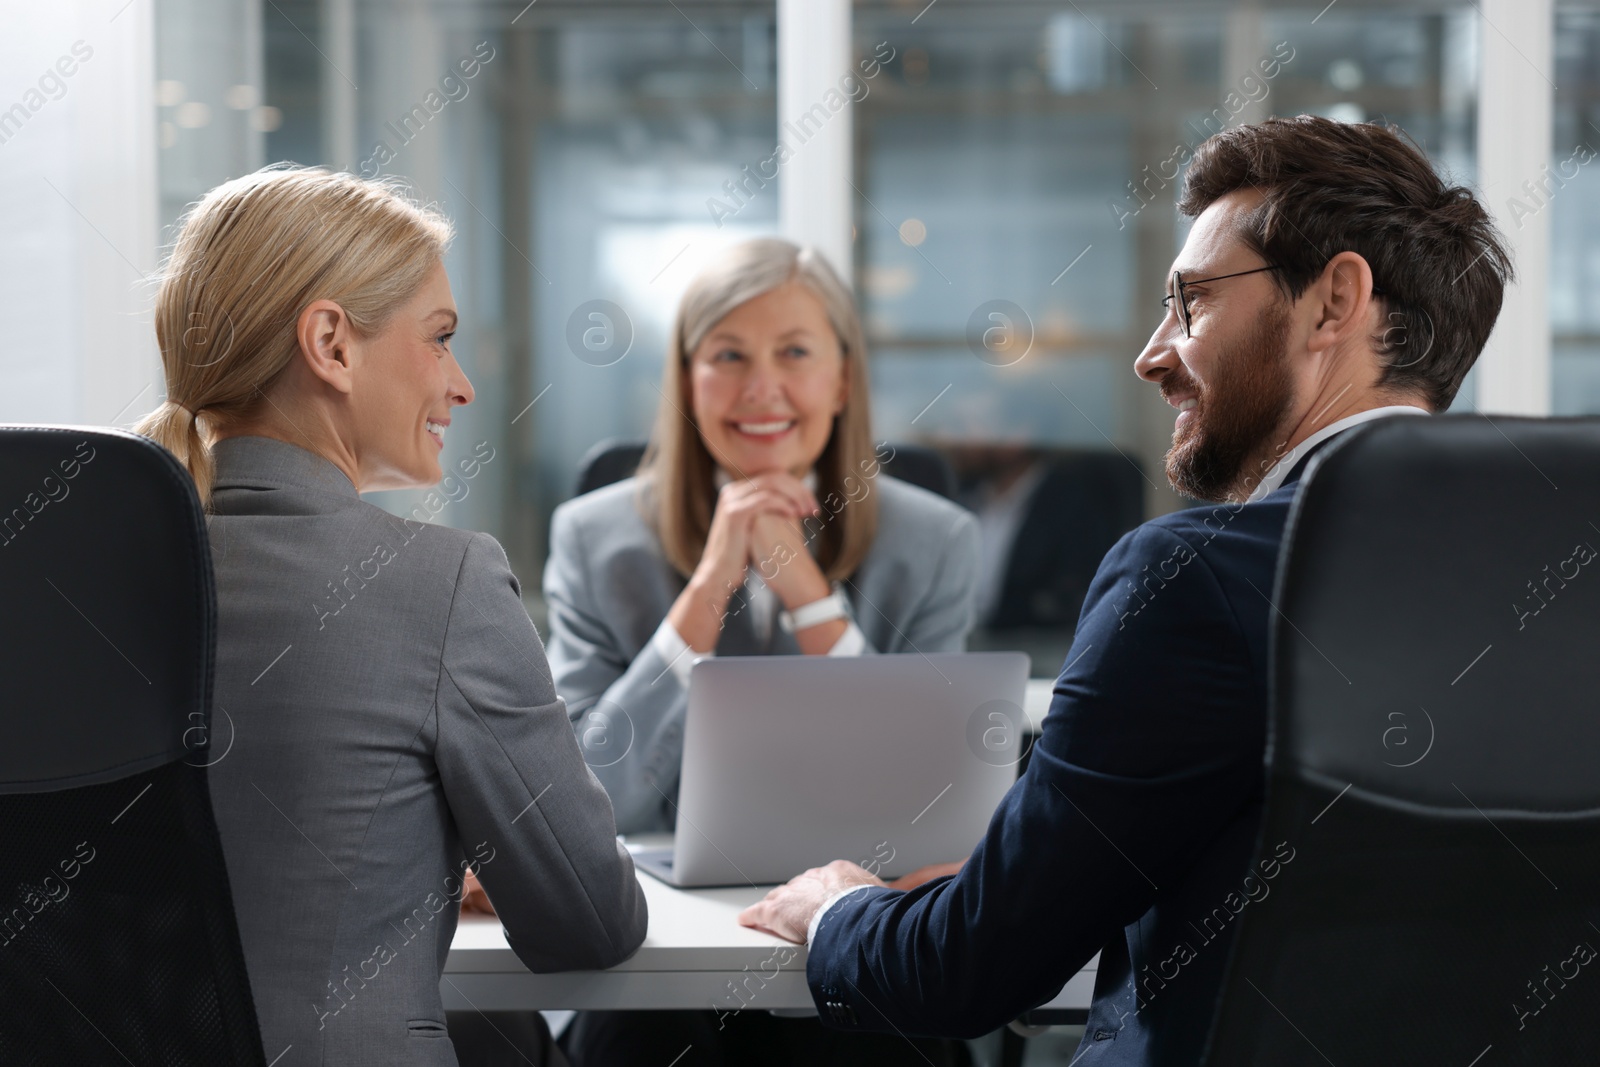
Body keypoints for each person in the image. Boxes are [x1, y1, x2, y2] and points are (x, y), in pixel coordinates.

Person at [739, 115, 1514, 1066]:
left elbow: (967, 969)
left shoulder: (1197, 578)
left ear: (1333, 302)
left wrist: (836, 909)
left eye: (1189, 303)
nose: (1152, 354)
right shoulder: (1554, 581)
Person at [136, 165, 646, 1066]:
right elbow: (589, 923)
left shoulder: (93, 572)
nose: (462, 386)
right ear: (331, 342)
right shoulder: (440, 581)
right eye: (440, 338)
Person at [542, 237, 980, 1065]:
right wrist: (706, 594)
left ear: (842, 378)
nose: (761, 387)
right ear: (685, 380)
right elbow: (587, 803)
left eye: (795, 353)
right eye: (728, 355)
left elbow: (921, 806)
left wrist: (807, 591)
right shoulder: (595, 539)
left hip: (859, 940)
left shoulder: (935, 542)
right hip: (658, 960)